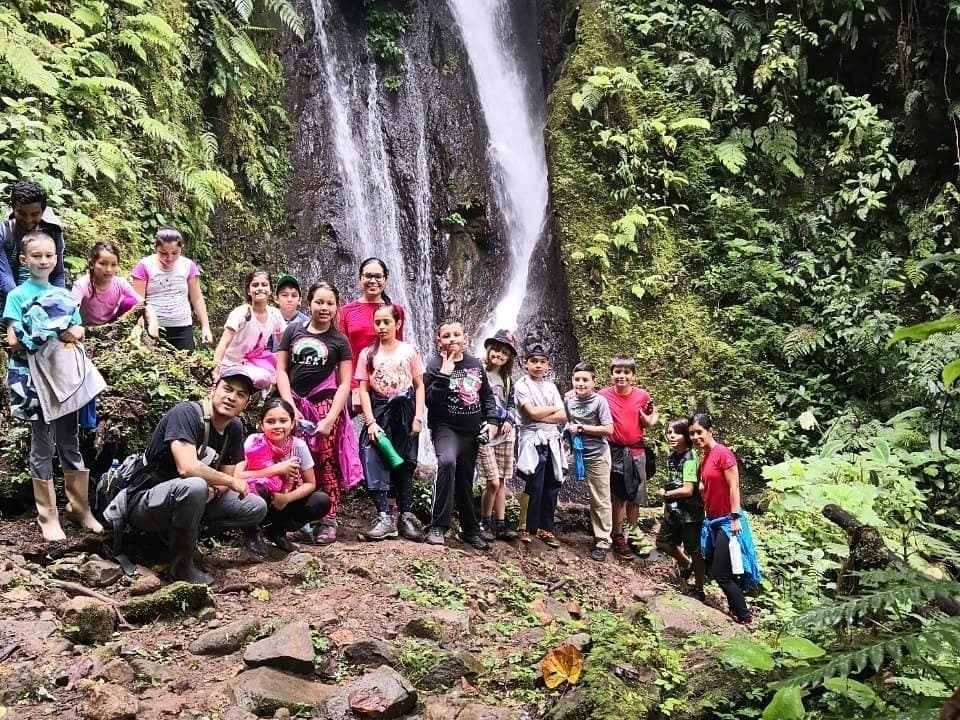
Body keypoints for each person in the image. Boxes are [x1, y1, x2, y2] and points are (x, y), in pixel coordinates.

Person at [124, 368, 268, 584]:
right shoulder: (186, 414)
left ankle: (180, 538)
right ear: (213, 389)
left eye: (240, 395)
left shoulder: (234, 428)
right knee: (194, 486)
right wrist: (228, 481)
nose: (232, 398)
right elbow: (188, 468)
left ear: (246, 403)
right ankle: (181, 565)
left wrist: (216, 489)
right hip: (145, 500)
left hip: (192, 498)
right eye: (227, 389)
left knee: (255, 506)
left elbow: (224, 477)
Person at [4, 231, 102, 541]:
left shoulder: (63, 295)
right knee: (42, 445)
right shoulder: (17, 296)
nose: (43, 260)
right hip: (34, 381)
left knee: (69, 442)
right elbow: (12, 339)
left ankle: (80, 507)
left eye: (48, 255)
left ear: (56, 258)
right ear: (24, 260)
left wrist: (69, 330)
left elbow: (77, 328)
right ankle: (47, 515)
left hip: (63, 377)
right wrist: (48, 331)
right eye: (36, 256)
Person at [276, 281, 361, 545]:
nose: (324, 307)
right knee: (294, 460)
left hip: (324, 405)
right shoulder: (293, 331)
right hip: (294, 405)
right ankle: (297, 518)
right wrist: (289, 405)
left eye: (330, 303)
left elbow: (345, 383)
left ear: (337, 307)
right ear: (309, 303)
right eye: (319, 302)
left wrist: (330, 418)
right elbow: (281, 370)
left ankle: (329, 518)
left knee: (326, 461)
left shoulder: (339, 340)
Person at [423, 319, 498, 549]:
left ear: (465, 338)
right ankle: (438, 526)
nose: (452, 339)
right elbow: (430, 402)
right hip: (446, 428)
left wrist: (493, 421)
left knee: (466, 478)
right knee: (447, 463)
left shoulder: (475, 364)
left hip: (471, 431)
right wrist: (444, 376)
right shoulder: (434, 365)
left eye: (457, 334)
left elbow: (486, 396)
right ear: (439, 342)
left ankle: (470, 529)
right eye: (447, 336)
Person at [356, 303, 425, 541]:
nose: (382, 327)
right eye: (378, 322)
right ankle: (384, 516)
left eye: (386, 322)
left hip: (404, 413)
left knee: (405, 462)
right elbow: (363, 390)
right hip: (378, 411)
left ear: (398, 323)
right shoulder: (368, 354)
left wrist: (418, 417)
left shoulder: (410, 351)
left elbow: (419, 386)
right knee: (374, 458)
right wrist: (370, 422)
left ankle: (405, 516)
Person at [235, 397, 331, 552]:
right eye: (271, 421)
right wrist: (277, 469)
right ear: (262, 424)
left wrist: (286, 498)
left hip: (284, 498)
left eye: (283, 421)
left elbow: (310, 484)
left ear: (292, 423)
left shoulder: (298, 446)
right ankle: (252, 533)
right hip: (256, 498)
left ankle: (277, 531)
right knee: (258, 487)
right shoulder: (254, 442)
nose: (277, 426)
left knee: (320, 501)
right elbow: (237, 476)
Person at [689, 412, 754, 624]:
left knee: (720, 572)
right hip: (714, 521)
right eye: (692, 434)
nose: (696, 437)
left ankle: (744, 616)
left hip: (728, 521)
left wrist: (735, 517)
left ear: (710, 431)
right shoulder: (705, 457)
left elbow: (734, 486)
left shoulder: (722, 454)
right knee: (720, 569)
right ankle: (739, 611)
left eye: (699, 432)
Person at [598, 356, 659, 558]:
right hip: (614, 451)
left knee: (636, 496)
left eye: (626, 373)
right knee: (619, 497)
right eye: (618, 372)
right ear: (611, 374)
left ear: (633, 375)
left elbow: (652, 415)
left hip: (637, 451)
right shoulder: (603, 396)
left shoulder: (642, 396)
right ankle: (617, 535)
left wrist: (649, 420)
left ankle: (633, 532)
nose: (621, 376)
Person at [514, 338, 566, 547]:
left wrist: (540, 415)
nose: (537, 365)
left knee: (552, 484)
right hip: (532, 439)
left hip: (552, 439)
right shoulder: (521, 385)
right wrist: (550, 410)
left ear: (547, 365)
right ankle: (524, 527)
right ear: (525, 363)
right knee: (533, 483)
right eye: (533, 361)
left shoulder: (551, 387)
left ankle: (546, 528)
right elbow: (530, 412)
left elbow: (563, 416)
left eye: (541, 361)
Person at [337, 258, 407, 414]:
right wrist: (355, 388)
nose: (373, 281)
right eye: (368, 276)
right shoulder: (346, 311)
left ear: (385, 279)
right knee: (337, 420)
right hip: (355, 382)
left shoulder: (396, 310)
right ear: (360, 279)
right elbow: (344, 355)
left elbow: (399, 349)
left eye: (378, 276)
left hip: (387, 382)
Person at [130, 227, 212, 351]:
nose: (169, 258)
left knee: (186, 367)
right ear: (155, 248)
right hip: (153, 328)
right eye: (163, 253)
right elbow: (137, 302)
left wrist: (205, 327)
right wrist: (140, 329)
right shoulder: (145, 266)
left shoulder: (188, 266)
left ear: (181, 248)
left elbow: (197, 298)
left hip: (182, 328)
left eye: (175, 253)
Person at [564, 362, 614, 561]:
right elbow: (566, 421)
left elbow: (609, 429)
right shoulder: (568, 399)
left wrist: (582, 428)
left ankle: (602, 540)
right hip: (574, 453)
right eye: (577, 380)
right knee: (553, 478)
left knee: (600, 497)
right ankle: (543, 526)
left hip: (597, 455)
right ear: (572, 380)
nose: (581, 383)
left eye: (585, 380)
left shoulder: (599, 402)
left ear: (594, 382)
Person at [477, 329, 519, 542]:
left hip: (504, 434)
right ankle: (483, 521)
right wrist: (501, 416)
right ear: (488, 349)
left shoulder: (507, 379)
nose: (498, 355)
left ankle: (500, 523)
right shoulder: (477, 370)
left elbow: (511, 405)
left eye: (504, 352)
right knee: (492, 481)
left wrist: (509, 419)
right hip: (484, 432)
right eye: (495, 349)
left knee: (501, 481)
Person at [656, 418, 705, 599]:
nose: (671, 436)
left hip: (691, 513)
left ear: (685, 435)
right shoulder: (672, 457)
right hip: (674, 510)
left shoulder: (690, 458)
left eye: (676, 433)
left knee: (695, 550)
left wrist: (667, 495)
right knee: (662, 542)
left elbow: (688, 489)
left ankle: (699, 589)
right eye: (669, 433)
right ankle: (686, 564)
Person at [212, 269, 286, 390]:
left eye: (264, 285)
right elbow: (223, 344)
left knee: (284, 361)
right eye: (255, 285)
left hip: (257, 360)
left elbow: (285, 344)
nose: (260, 288)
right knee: (263, 378)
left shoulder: (274, 314)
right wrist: (215, 370)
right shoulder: (241, 313)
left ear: (271, 290)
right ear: (248, 291)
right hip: (232, 362)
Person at [0, 180, 66, 305]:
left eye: (35, 214)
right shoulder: (3, 233)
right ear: (12, 207)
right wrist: (28, 309)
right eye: (22, 213)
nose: (28, 220)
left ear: (43, 210)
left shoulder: (52, 232)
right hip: (8, 304)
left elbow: (58, 274)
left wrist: (58, 304)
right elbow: (5, 279)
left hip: (44, 303)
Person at [71, 241, 154, 328]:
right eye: (103, 264)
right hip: (85, 327)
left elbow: (142, 303)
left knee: (130, 302)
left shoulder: (120, 283)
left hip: (111, 323)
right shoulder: (81, 285)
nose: (109, 269)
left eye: (113, 265)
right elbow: (71, 310)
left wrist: (152, 322)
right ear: (92, 264)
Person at [269, 274, 308, 351]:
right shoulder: (269, 319)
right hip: (272, 361)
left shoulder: (306, 322)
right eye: (285, 295)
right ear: (276, 299)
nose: (289, 299)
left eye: (294, 295)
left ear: (299, 300)